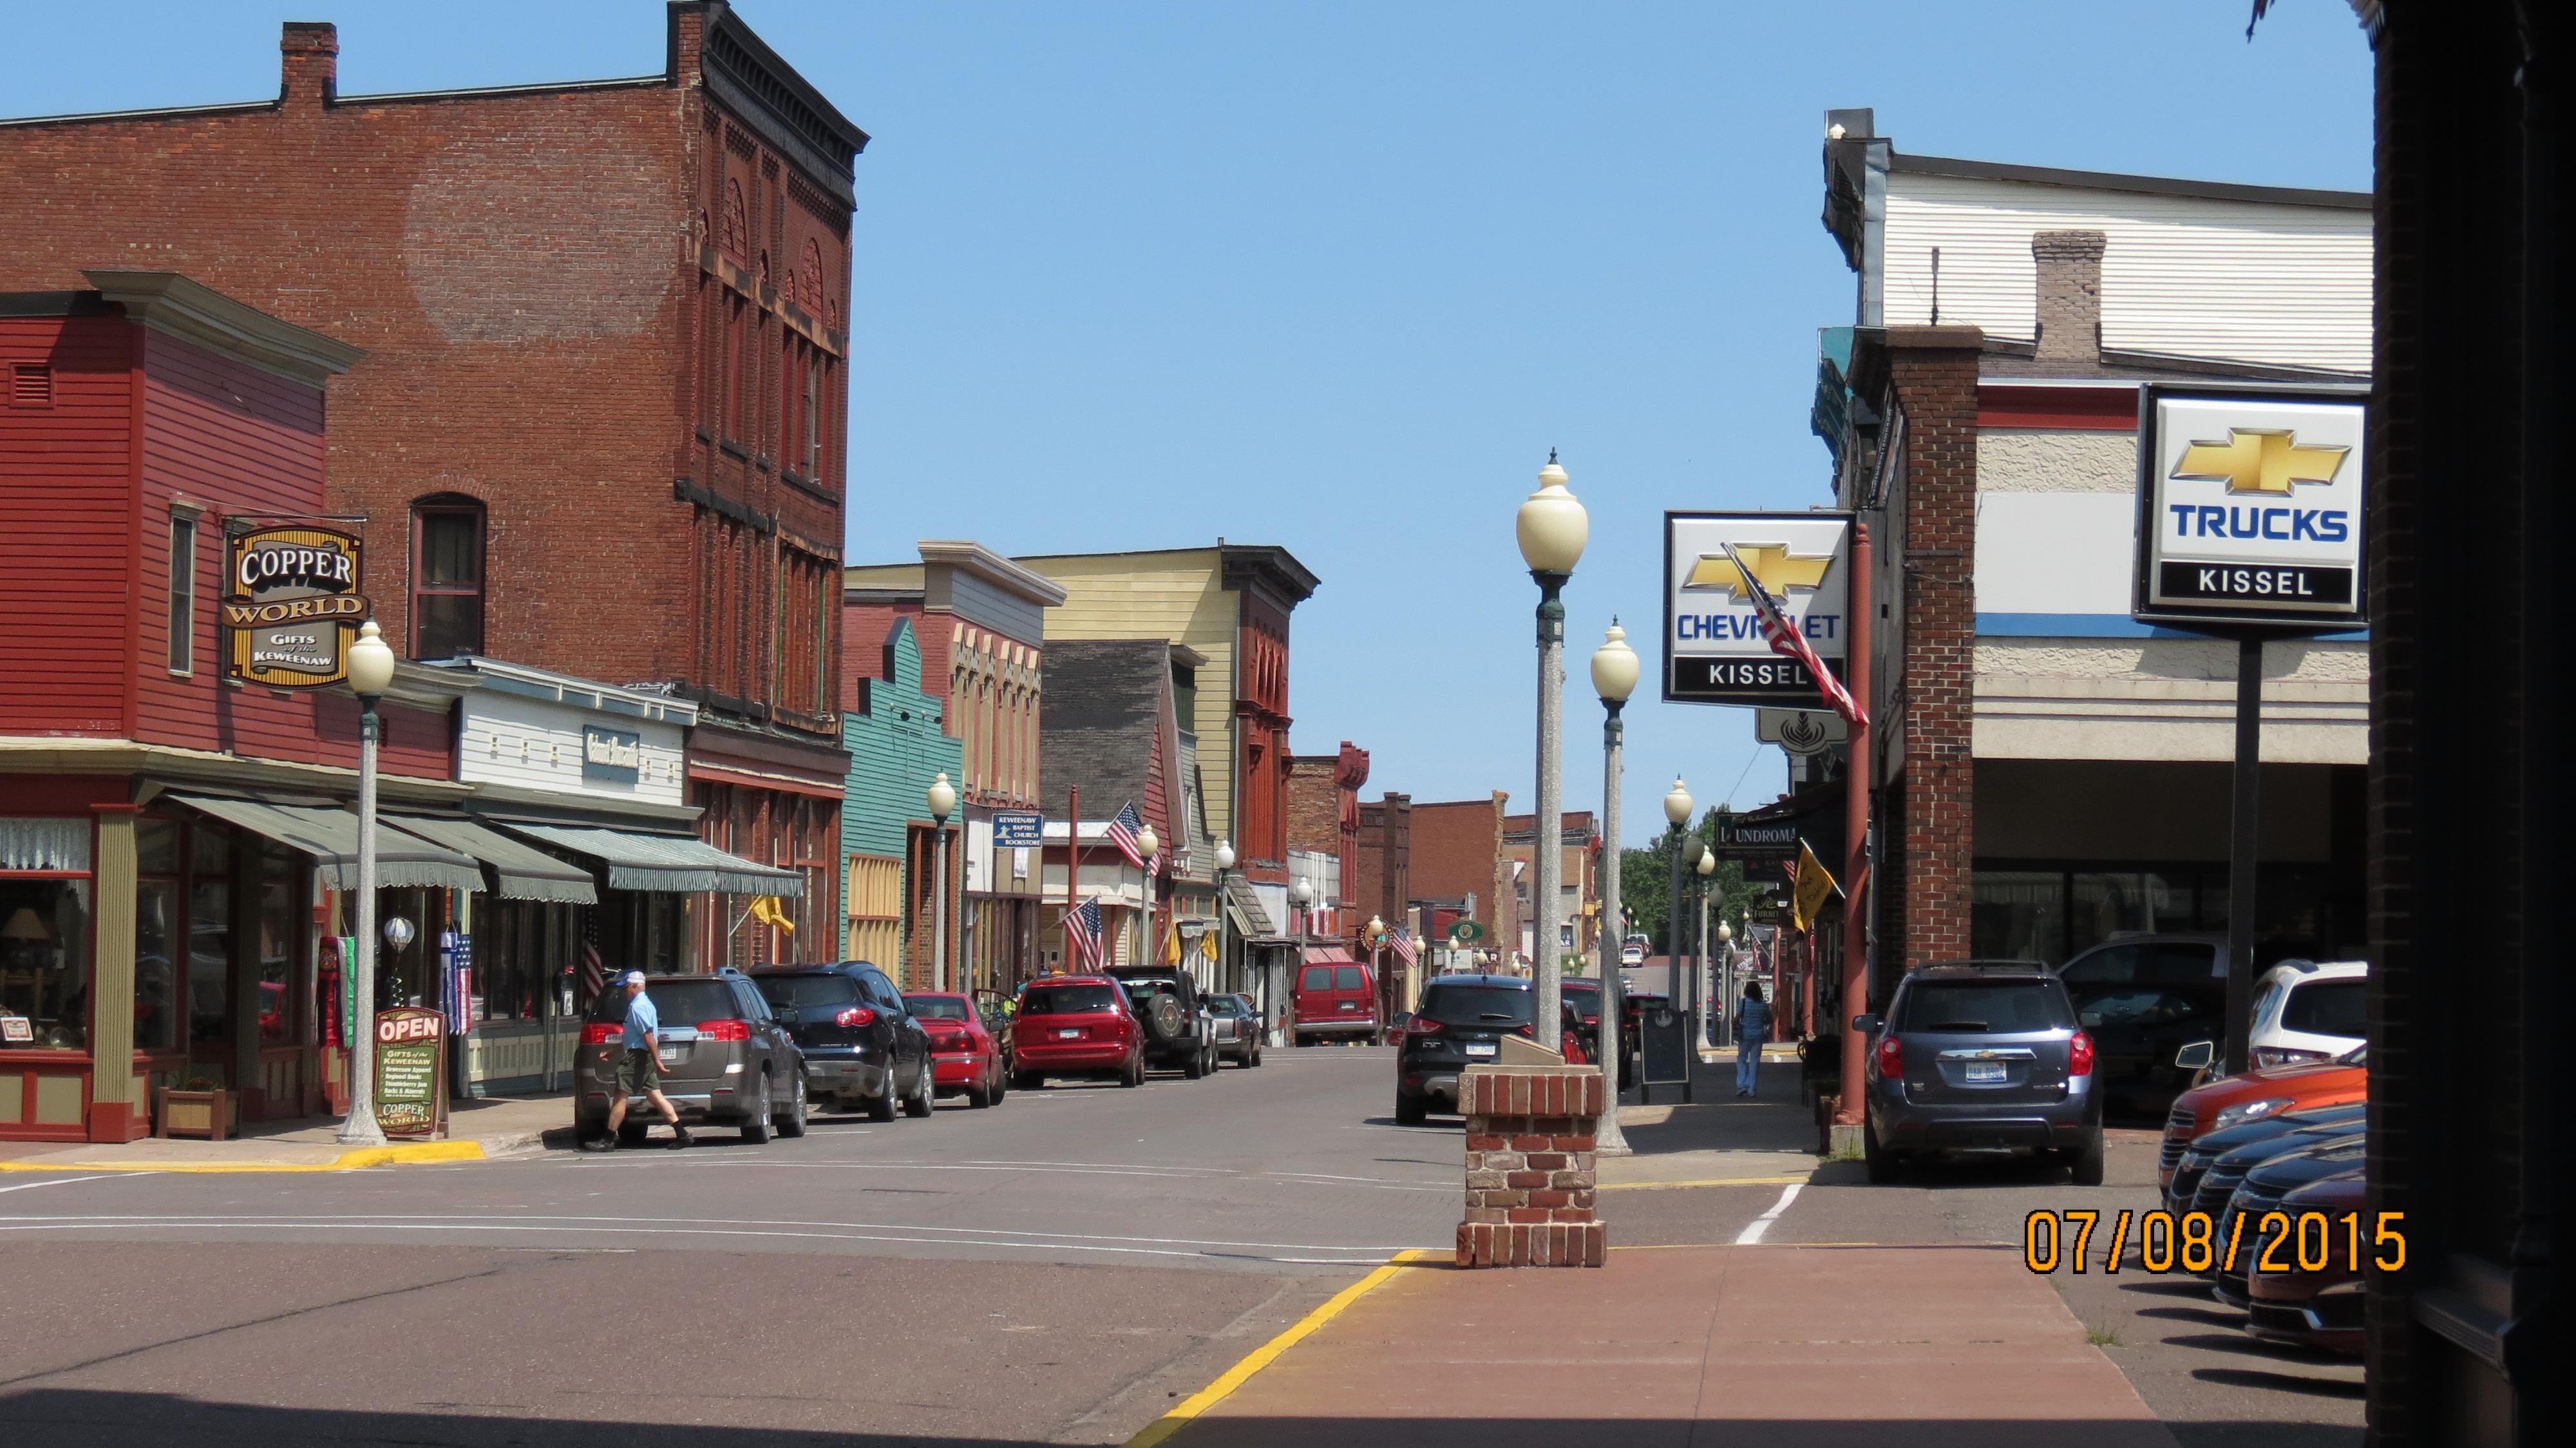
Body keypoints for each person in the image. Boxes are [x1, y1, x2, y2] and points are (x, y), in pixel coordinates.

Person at [588, 970, 689, 1150]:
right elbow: (633, 1037)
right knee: (655, 1096)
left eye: (626, 988)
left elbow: (648, 1035)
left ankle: (608, 1139)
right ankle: (683, 1135)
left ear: (635, 986)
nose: (624, 992)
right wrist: (612, 1051)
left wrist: (658, 1061)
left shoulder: (638, 1007)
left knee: (620, 1097)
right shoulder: (645, 1005)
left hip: (637, 1057)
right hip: (642, 1054)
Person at [1732, 981, 1772, 1099]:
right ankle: (1752, 1089)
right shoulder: (1763, 1005)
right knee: (1754, 1061)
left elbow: (1737, 1018)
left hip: (1745, 1036)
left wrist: (1735, 1022)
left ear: (1747, 991)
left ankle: (1742, 1084)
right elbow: (1770, 1019)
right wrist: (1761, 1022)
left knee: (1741, 1059)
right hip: (1758, 1036)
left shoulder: (1743, 1003)